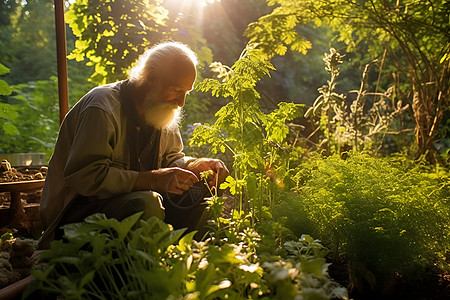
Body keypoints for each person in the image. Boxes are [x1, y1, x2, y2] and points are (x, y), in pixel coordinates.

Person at [38, 41, 229, 249]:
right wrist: (150, 180)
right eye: (176, 90)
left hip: (132, 212)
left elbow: (172, 159)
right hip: (77, 218)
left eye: (187, 92)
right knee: (147, 203)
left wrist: (195, 165)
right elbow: (84, 177)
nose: (181, 102)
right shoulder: (102, 108)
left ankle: (181, 256)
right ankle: (142, 267)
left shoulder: (163, 110)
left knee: (202, 189)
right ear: (152, 78)